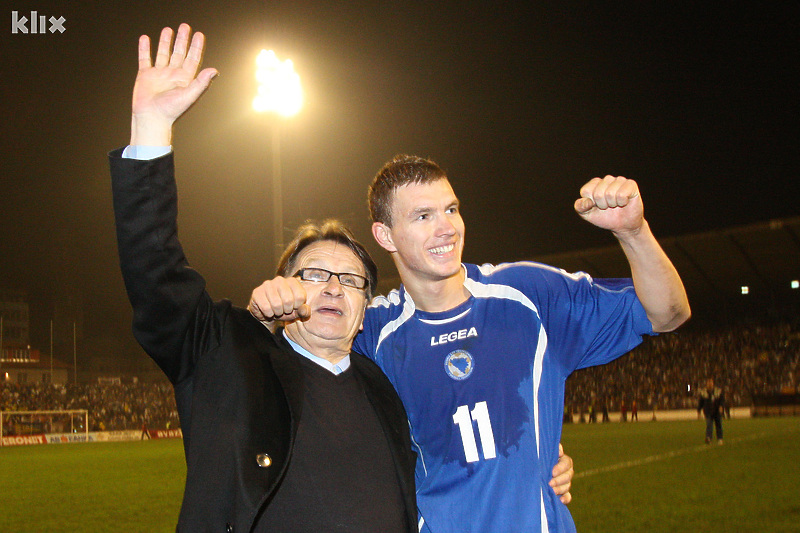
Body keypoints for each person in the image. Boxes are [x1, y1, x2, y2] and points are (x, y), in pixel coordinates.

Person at [111, 24, 573, 532]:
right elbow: (156, 278)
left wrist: (540, 459)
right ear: (283, 285)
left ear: (364, 311)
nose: (334, 287)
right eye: (315, 274)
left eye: (352, 280)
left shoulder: (382, 385)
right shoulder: (230, 360)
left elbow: (449, 448)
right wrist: (150, 129)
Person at [253, 151, 690, 531]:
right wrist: (266, 312)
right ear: (385, 235)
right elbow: (286, 361)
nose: (446, 227)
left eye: (451, 209)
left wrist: (633, 231)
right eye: (423, 216)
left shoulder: (528, 296)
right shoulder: (372, 329)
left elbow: (668, 314)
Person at [697, 378, 724, 444]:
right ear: (706, 384)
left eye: (711, 383)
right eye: (708, 383)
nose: (709, 384)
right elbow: (701, 402)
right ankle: (708, 438)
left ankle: (720, 438)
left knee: (718, 424)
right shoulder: (703, 392)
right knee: (709, 424)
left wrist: (721, 406)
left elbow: (722, 400)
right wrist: (699, 411)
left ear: (713, 383)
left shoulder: (718, 391)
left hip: (717, 411)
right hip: (708, 411)